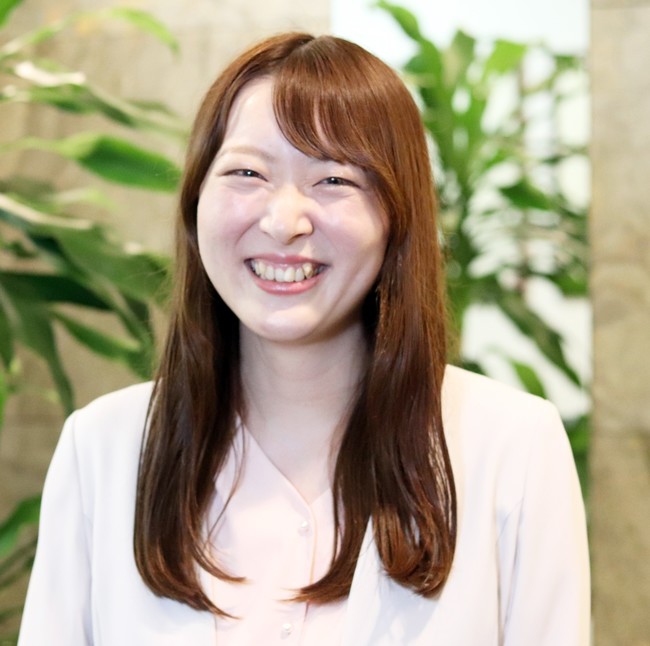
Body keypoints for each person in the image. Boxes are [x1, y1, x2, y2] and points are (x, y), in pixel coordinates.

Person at [18, 32, 590, 645]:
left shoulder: (513, 448)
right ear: (195, 201)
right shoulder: (103, 450)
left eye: (334, 180)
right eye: (247, 173)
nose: (284, 222)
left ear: (398, 216)